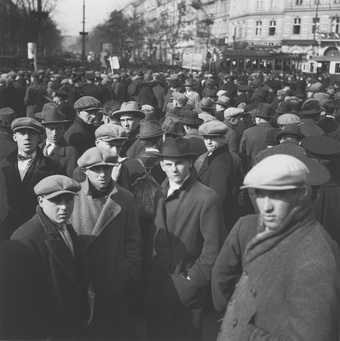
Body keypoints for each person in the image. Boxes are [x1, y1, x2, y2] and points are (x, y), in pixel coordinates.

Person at [216, 154, 340, 341]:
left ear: (302, 194)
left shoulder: (314, 260)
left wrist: (245, 332)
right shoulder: (277, 232)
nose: (266, 207)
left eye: (276, 195)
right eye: (259, 194)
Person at [146, 137, 224, 341]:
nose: (174, 169)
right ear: (161, 165)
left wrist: (191, 280)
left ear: (190, 162)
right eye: (169, 164)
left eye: (179, 163)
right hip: (156, 286)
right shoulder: (156, 192)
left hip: (185, 291)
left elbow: (213, 249)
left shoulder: (206, 197)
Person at [71, 146, 142, 339]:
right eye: (96, 169)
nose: (102, 175)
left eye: (107, 169)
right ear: (85, 171)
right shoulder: (74, 197)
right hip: (83, 280)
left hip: (114, 279)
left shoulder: (125, 197)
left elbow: (133, 239)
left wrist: (128, 270)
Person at [11, 175, 88, 338]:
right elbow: (22, 301)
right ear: (40, 201)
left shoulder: (66, 227)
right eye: (56, 201)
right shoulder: (25, 238)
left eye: (69, 200)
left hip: (71, 325)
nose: (64, 207)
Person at [0, 117, 61, 238]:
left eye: (32, 133)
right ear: (15, 137)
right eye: (22, 133)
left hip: (37, 231)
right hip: (6, 229)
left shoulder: (52, 167)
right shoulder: (3, 165)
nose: (27, 137)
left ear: (39, 138)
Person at [195, 120, 237, 233]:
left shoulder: (221, 162)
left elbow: (217, 194)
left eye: (213, 138)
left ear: (223, 138)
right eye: (205, 138)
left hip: (215, 217)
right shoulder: (214, 155)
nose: (208, 142)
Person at [40, 102, 78, 177]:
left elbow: (70, 180)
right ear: (45, 128)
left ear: (63, 129)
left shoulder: (70, 152)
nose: (55, 133)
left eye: (58, 128)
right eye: (51, 128)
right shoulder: (38, 147)